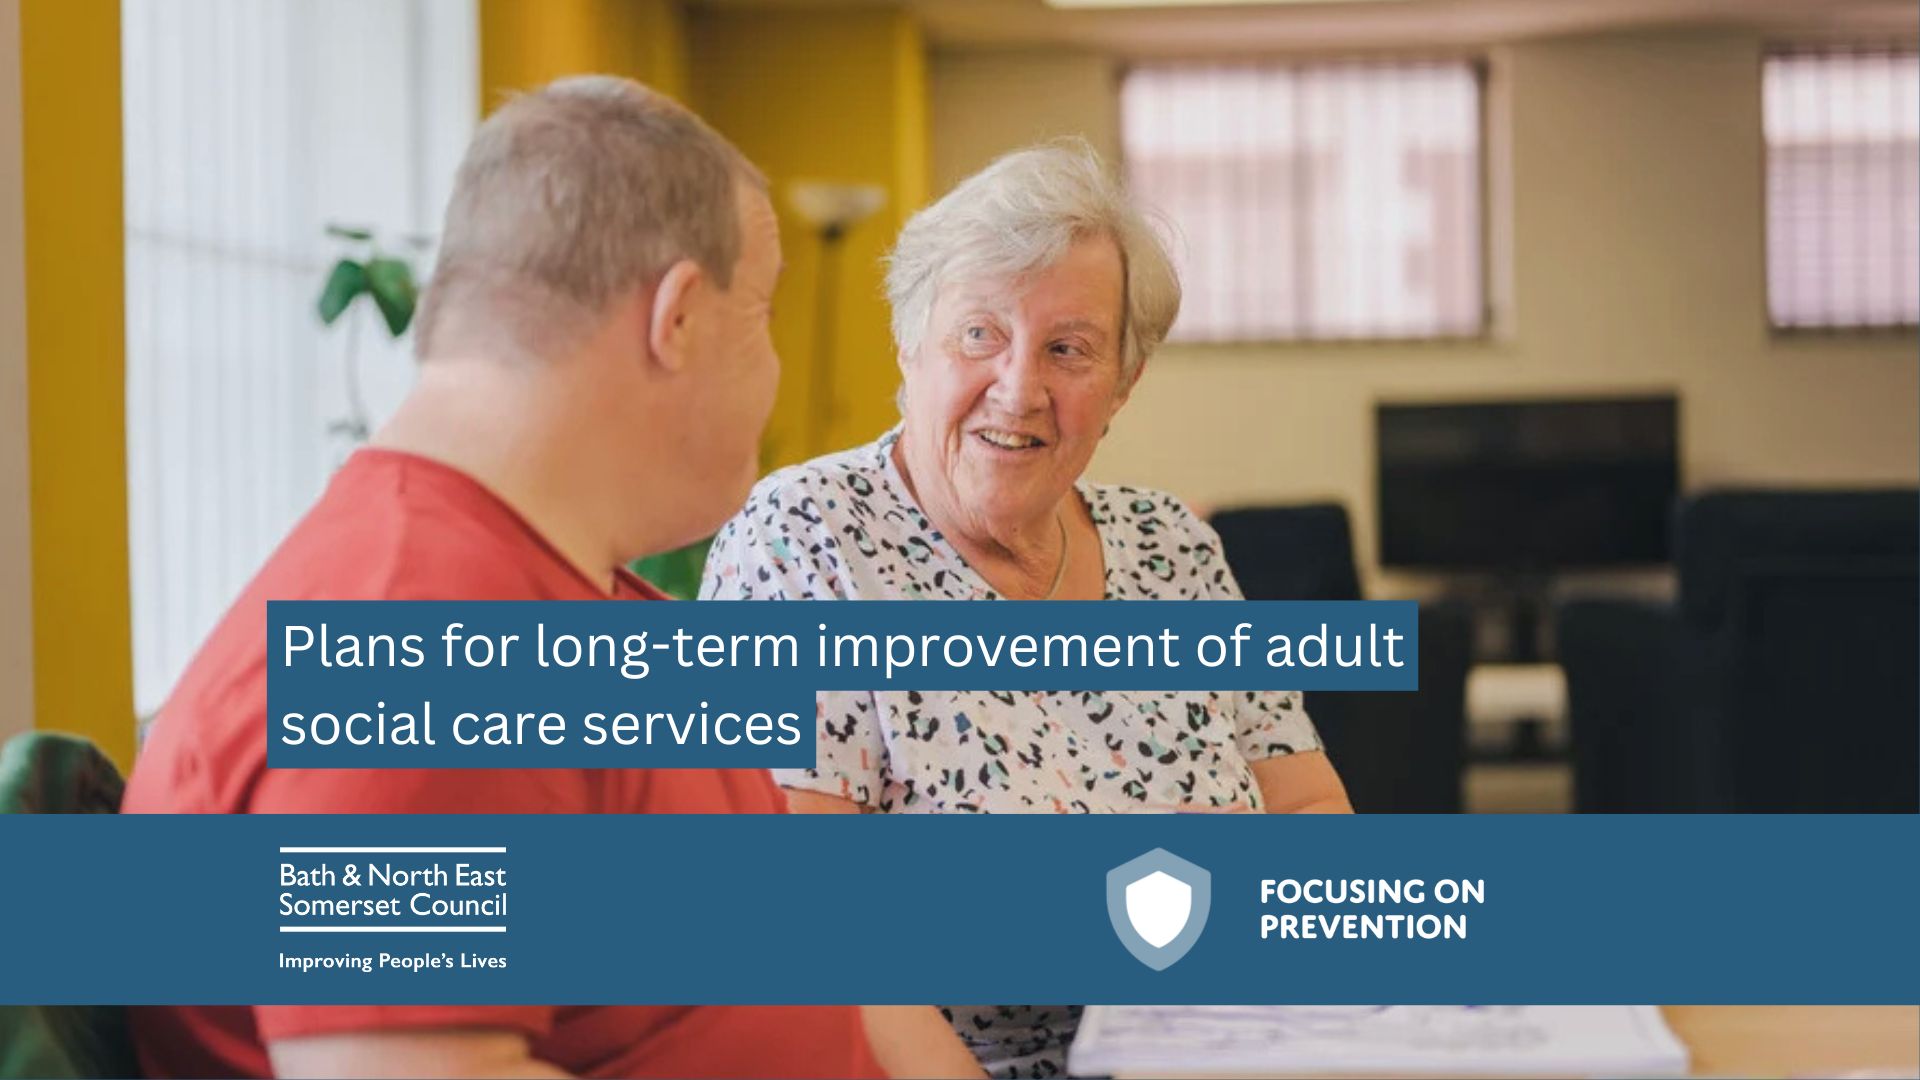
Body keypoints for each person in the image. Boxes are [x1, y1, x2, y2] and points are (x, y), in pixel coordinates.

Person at [123, 76, 978, 1080]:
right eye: (763, 315)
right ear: (682, 318)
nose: (774, 365)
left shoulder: (562, 601)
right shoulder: (425, 647)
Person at [701, 140, 1352, 1077]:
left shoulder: (1173, 547)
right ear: (909, 342)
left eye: (1069, 349)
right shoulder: (807, 538)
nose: (1019, 387)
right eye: (979, 334)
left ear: (1122, 386)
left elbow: (1306, 813)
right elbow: (807, 921)